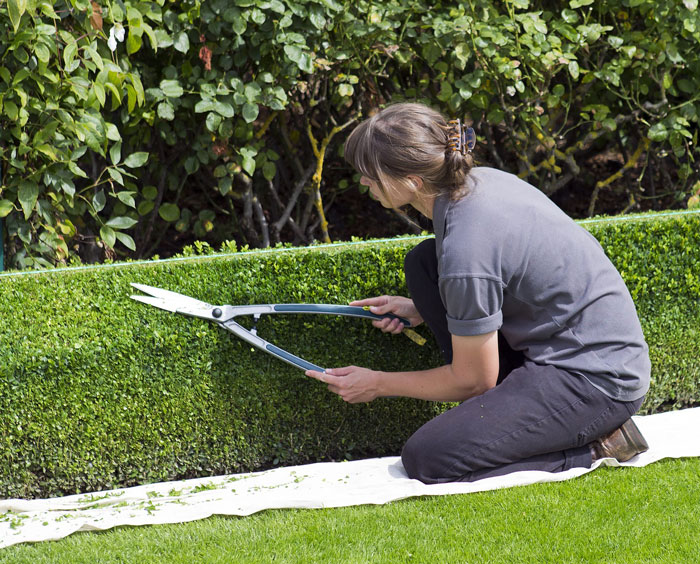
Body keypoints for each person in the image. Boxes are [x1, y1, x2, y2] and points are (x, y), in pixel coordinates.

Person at [305, 102, 651, 484]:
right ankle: (510, 418)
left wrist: (378, 383)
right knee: (423, 264)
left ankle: (596, 446)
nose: (363, 183)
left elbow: (474, 381)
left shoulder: (466, 249)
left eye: (369, 175)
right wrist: (420, 308)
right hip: (575, 347)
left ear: (412, 181)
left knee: (428, 458)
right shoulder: (477, 183)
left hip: (595, 380)